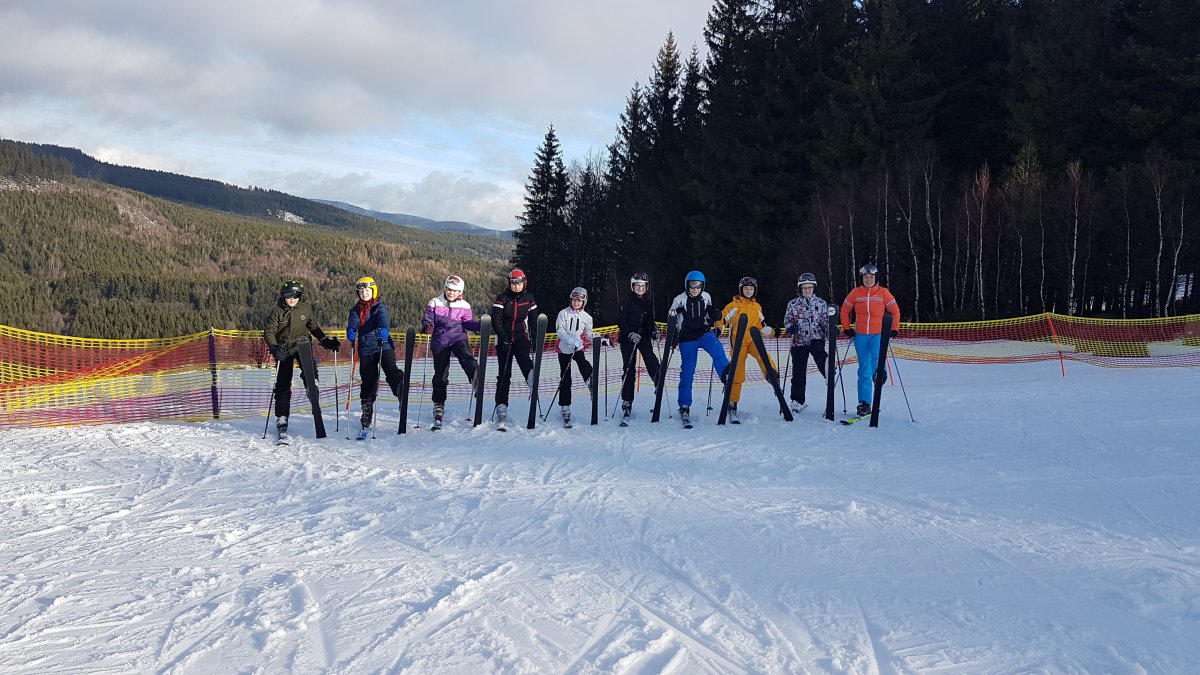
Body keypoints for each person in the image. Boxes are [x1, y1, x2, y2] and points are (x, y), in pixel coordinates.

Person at [262, 279, 340, 442]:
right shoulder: (277, 311)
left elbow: (314, 327)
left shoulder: (305, 309)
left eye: (295, 295)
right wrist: (275, 348)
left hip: (301, 345)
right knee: (283, 383)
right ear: (283, 296)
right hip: (284, 348)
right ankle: (282, 417)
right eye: (288, 295)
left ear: (300, 296)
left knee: (309, 366)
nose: (292, 298)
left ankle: (312, 385)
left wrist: (325, 341)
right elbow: (269, 331)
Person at [667, 270, 730, 427]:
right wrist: (673, 335)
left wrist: (715, 314)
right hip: (687, 338)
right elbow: (671, 318)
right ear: (687, 285)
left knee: (716, 346)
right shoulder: (679, 300)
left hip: (702, 333)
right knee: (688, 371)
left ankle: (726, 373)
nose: (695, 289)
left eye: (698, 286)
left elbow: (708, 312)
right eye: (692, 285)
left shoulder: (706, 297)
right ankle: (684, 405)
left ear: (703, 286)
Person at [346, 276, 405, 438]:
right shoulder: (356, 309)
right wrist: (351, 330)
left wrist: (384, 329)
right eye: (361, 291)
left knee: (391, 372)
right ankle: (367, 410)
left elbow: (382, 320)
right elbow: (354, 321)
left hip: (383, 345)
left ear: (373, 291)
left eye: (367, 290)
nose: (364, 293)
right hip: (365, 348)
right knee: (368, 381)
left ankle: (401, 391)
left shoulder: (379, 306)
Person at [840, 263, 901, 416]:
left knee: (877, 359)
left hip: (878, 334)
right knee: (863, 369)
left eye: (871, 277)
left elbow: (895, 311)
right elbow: (844, 310)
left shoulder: (883, 292)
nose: (868, 280)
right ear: (862, 278)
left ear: (876, 278)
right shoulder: (855, 293)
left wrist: (894, 328)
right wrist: (847, 328)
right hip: (861, 335)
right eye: (866, 277)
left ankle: (880, 374)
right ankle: (864, 403)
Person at [422, 274, 481, 430]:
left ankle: (476, 378)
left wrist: (480, 326)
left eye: (454, 291)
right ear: (444, 288)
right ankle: (438, 403)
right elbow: (428, 318)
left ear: (460, 292)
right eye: (448, 289)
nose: (451, 293)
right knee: (441, 373)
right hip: (440, 340)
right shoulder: (435, 302)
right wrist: (428, 325)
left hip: (457, 337)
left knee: (466, 357)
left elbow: (467, 323)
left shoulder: (464, 305)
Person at [717, 276, 776, 423]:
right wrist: (718, 328)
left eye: (751, 289)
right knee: (737, 372)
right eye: (746, 289)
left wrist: (772, 332)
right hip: (738, 343)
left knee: (763, 355)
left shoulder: (757, 307)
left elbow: (761, 325)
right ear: (741, 290)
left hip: (753, 340)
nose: (748, 291)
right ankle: (732, 403)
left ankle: (772, 374)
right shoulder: (733, 306)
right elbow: (722, 319)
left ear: (754, 291)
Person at [489, 268, 538, 426]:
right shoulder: (502, 298)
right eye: (513, 283)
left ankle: (532, 381)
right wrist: (504, 337)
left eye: (519, 283)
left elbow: (533, 319)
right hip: (504, 338)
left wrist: (534, 336)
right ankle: (501, 404)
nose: (516, 286)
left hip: (520, 337)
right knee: (504, 373)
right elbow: (495, 319)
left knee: (524, 360)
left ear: (524, 283)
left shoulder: (529, 299)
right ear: (509, 284)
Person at [616, 271, 661, 424]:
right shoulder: (627, 300)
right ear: (632, 286)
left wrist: (653, 330)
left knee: (650, 357)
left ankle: (658, 377)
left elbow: (650, 320)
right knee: (629, 368)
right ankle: (627, 401)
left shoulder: (648, 300)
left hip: (643, 335)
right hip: (628, 338)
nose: (640, 288)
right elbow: (621, 321)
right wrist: (630, 334)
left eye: (643, 286)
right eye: (637, 285)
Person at [553, 287, 601, 426]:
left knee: (582, 361)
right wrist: (571, 341)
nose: (576, 303)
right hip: (564, 349)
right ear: (571, 300)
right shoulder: (563, 313)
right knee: (565, 378)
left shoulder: (587, 317)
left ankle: (590, 379)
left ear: (584, 302)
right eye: (574, 300)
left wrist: (599, 339)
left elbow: (588, 334)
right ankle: (565, 406)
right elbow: (560, 332)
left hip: (578, 347)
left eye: (579, 301)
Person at [782, 272, 829, 413]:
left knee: (819, 353)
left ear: (814, 288)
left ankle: (828, 371)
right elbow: (787, 320)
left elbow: (825, 321)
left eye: (810, 287)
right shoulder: (793, 304)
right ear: (800, 289)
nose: (807, 290)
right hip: (799, 340)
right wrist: (790, 327)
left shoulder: (821, 303)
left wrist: (830, 331)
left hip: (816, 336)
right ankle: (797, 400)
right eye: (804, 288)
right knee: (799, 371)